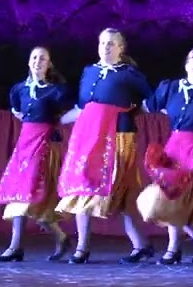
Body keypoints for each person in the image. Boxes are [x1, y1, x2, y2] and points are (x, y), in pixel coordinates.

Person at [55, 28, 154, 264]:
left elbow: (151, 101)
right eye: (102, 43)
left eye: (111, 44)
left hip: (119, 137)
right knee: (83, 186)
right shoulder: (89, 72)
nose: (106, 47)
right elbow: (82, 108)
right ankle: (82, 247)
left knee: (119, 191)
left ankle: (140, 245)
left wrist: (132, 113)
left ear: (121, 48)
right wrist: (56, 121)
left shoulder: (130, 74)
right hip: (89, 138)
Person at [137, 47, 193, 265]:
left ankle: (174, 249)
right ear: (187, 65)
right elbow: (148, 107)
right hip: (173, 148)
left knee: (181, 199)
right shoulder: (170, 88)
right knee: (165, 196)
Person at [0, 47, 75, 262]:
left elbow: (64, 116)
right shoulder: (18, 89)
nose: (38, 61)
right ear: (29, 62)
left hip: (44, 143)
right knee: (25, 196)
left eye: (43, 59)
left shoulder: (56, 91)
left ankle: (16, 246)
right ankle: (59, 238)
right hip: (24, 144)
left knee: (31, 195)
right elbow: (18, 112)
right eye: (35, 58)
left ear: (49, 65)